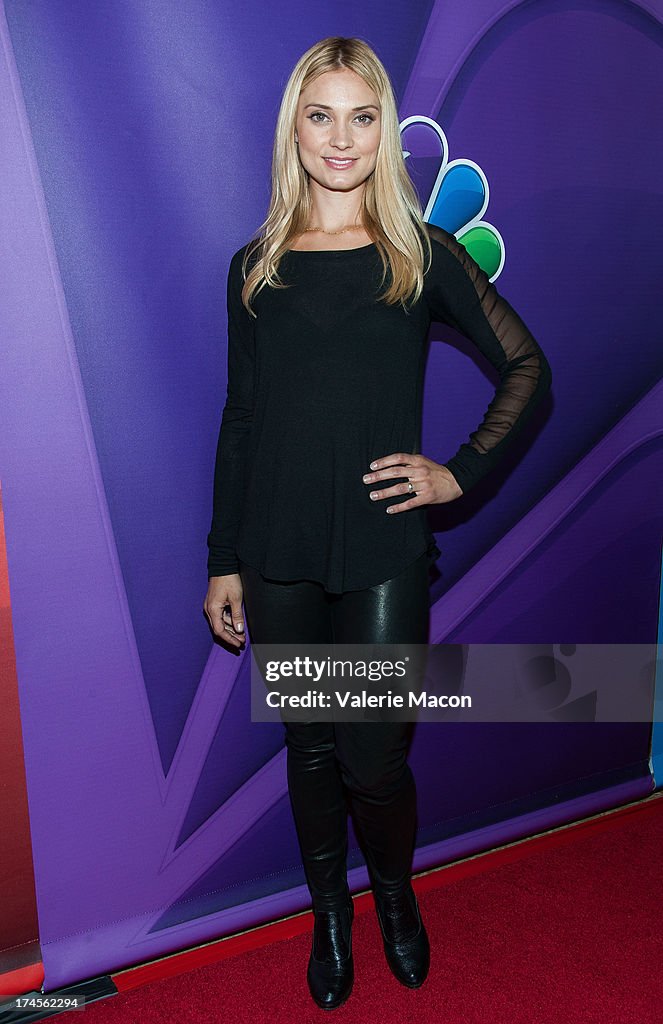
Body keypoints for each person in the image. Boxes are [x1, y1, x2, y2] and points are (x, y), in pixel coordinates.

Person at [203, 36, 552, 1011]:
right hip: (275, 553)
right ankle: (329, 912)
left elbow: (531, 370)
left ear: (384, 129)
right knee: (309, 749)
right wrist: (223, 559)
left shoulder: (418, 253)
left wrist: (459, 474)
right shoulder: (255, 266)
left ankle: (394, 892)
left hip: (382, 550)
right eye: (323, 115)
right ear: (295, 129)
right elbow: (241, 420)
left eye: (363, 116)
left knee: (373, 754)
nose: (342, 137)